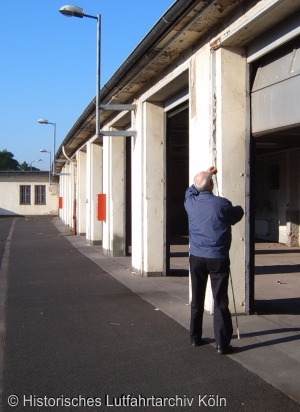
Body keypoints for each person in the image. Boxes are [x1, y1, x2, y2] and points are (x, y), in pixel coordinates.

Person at [184, 166, 244, 354]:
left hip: (196, 257)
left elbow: (190, 190)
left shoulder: (190, 203)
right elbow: (237, 214)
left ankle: (195, 337)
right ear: (211, 184)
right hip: (217, 257)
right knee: (220, 300)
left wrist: (206, 173)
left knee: (197, 298)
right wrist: (240, 207)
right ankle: (222, 344)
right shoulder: (222, 204)